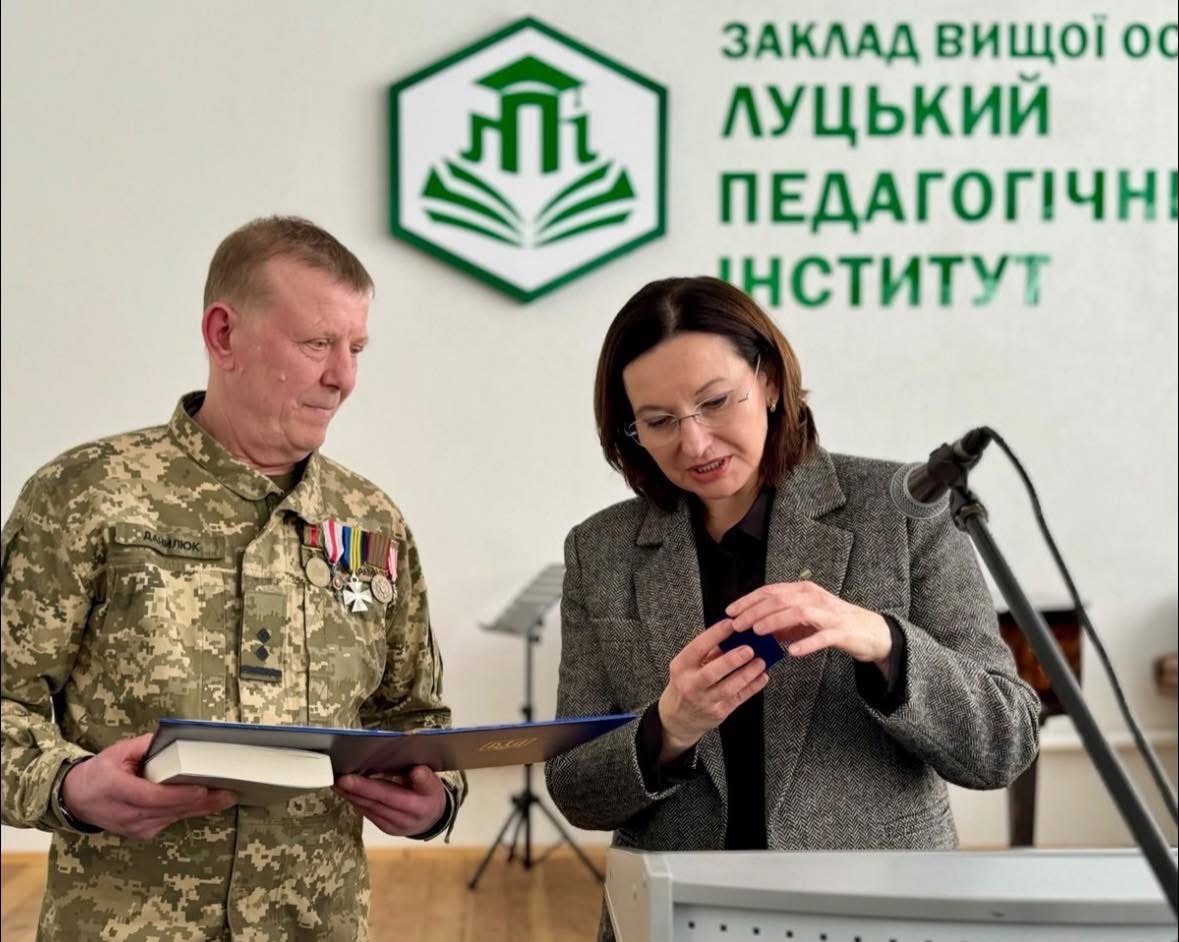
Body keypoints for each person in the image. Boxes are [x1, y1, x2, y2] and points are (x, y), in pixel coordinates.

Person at [1, 216, 466, 940]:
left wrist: (436, 801)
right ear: (223, 336)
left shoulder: (371, 522)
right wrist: (67, 786)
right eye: (316, 344)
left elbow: (415, 719)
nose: (343, 377)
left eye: (355, 348)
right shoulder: (86, 497)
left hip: (316, 924)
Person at [545, 276, 1040, 941]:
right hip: (675, 915)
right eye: (658, 422)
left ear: (771, 382)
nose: (694, 444)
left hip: (877, 913)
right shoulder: (599, 550)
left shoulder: (903, 512)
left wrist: (884, 643)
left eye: (715, 402)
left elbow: (1003, 745)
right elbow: (575, 789)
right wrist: (668, 729)